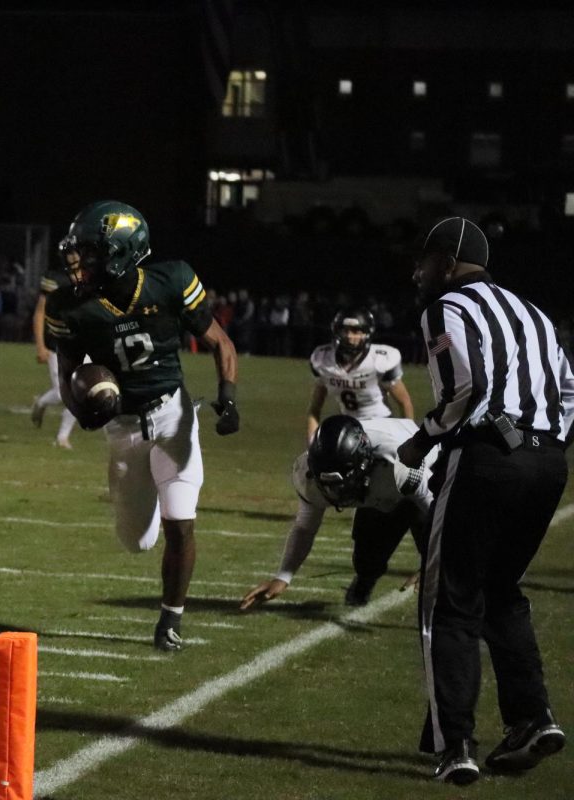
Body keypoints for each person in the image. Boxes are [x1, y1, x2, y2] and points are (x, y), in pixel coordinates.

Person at [396, 217, 573, 784]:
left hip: (487, 458)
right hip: (548, 463)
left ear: (448, 263)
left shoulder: (445, 307)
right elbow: (569, 387)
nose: (418, 271)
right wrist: (549, 439)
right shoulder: (533, 311)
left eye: (425, 261)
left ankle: (456, 745)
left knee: (451, 601)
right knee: (502, 591)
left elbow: (465, 386)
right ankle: (530, 717)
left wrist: (425, 434)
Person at [46, 200, 240, 653]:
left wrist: (227, 399)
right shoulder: (70, 306)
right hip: (124, 426)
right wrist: (83, 409)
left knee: (182, 523)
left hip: (173, 415)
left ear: (120, 252)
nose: (78, 263)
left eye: (90, 253)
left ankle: (170, 618)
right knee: (137, 540)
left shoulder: (169, 280)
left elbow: (220, 342)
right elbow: (67, 374)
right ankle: (149, 499)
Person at [239, 415, 434, 611]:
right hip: (378, 489)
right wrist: (283, 577)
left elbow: (442, 513)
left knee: (438, 564)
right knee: (366, 559)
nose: (335, 492)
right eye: (328, 484)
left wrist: (433, 563)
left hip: (427, 476)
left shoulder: (401, 463)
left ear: (364, 463)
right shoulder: (308, 472)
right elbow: (305, 527)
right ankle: (365, 580)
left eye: (341, 482)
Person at [306, 307, 413, 444]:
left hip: (381, 426)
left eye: (356, 331)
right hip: (347, 429)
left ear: (367, 333)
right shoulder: (324, 360)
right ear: (337, 331)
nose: (350, 336)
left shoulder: (380, 360)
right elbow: (314, 409)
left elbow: (405, 403)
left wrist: (410, 438)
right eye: (346, 330)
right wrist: (311, 446)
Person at [30, 268, 79, 449]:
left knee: (80, 394)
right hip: (56, 344)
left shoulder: (92, 275)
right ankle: (41, 402)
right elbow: (40, 312)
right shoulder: (55, 277)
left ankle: (62, 437)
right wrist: (40, 346)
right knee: (61, 394)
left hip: (81, 344)